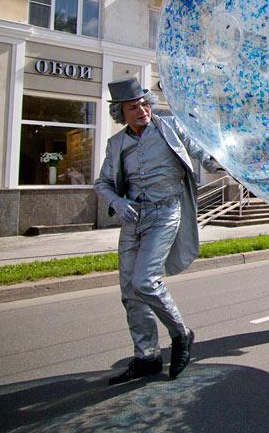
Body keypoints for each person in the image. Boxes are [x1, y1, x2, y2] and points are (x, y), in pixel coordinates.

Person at [95, 77, 223, 385]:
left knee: (145, 281)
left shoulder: (170, 128)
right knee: (130, 291)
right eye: (132, 107)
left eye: (143, 104)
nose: (141, 110)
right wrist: (116, 201)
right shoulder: (116, 145)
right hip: (133, 219)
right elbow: (102, 184)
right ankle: (147, 356)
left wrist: (227, 163)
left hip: (166, 211)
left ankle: (181, 334)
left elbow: (203, 152)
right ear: (120, 113)